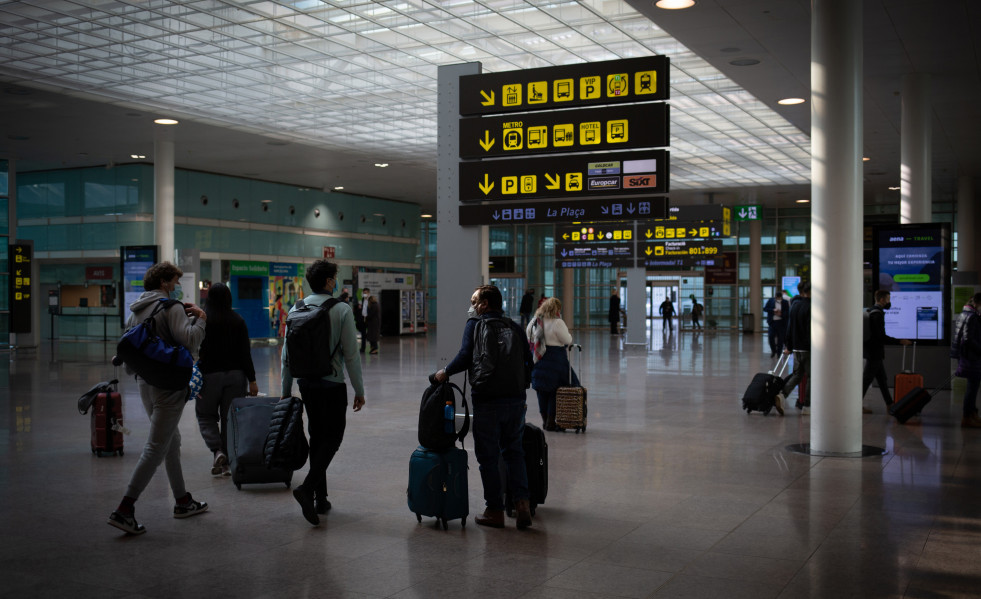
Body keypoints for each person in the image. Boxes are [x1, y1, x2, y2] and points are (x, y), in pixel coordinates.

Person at [107, 262, 209, 535]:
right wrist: (201, 319)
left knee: (171, 440)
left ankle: (182, 501)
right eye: (174, 281)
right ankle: (125, 508)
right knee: (155, 447)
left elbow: (131, 356)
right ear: (164, 282)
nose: (176, 286)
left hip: (145, 383)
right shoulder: (170, 307)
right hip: (168, 386)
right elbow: (189, 341)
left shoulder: (136, 311)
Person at [434, 285, 534, 530]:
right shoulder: (515, 326)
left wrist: (444, 373)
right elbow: (528, 361)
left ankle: (495, 510)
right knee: (514, 452)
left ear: (485, 304)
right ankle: (522, 504)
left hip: (488, 401)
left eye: (474, 301)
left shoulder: (476, 325)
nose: (472, 305)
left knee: (488, 457)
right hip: (516, 400)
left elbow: (465, 356)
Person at [281, 260, 365, 525]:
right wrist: (359, 390)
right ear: (329, 281)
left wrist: (286, 391)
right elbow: (351, 355)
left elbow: (286, 356)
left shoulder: (296, 308)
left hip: (305, 384)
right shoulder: (341, 309)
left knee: (317, 435)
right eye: (335, 278)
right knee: (333, 437)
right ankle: (307, 489)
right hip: (332, 383)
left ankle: (321, 498)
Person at [196, 282, 259, 476]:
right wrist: (252, 380)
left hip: (209, 376)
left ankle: (217, 451)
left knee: (206, 416)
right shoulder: (237, 320)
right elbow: (244, 353)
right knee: (229, 419)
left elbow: (193, 346)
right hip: (235, 376)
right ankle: (227, 461)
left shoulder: (203, 321)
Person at [527, 297, 578, 431]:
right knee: (555, 390)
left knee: (541, 390)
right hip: (555, 359)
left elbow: (529, 336)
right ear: (556, 309)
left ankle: (545, 421)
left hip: (538, 359)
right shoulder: (557, 323)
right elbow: (567, 339)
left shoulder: (535, 321)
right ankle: (551, 421)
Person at [861, 290, 911, 413]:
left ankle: (889, 404)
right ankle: (855, 405)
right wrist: (899, 341)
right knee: (867, 380)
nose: (889, 302)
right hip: (874, 352)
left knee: (882, 379)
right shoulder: (877, 315)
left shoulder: (871, 311)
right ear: (882, 299)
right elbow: (880, 336)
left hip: (873, 351)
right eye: (888, 299)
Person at [779, 282, 812, 414]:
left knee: (797, 375)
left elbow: (789, 327)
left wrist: (789, 346)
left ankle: (782, 395)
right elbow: (811, 330)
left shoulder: (795, 305)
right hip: (807, 348)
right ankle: (807, 406)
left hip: (797, 348)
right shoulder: (811, 307)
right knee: (811, 377)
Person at [953, 293, 981, 428]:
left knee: (973, 386)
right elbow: (969, 339)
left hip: (966, 355)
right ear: (977, 303)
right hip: (972, 357)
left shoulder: (964, 313)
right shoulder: (972, 317)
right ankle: (967, 416)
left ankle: (972, 414)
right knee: (972, 387)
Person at [764, 291, 790, 357]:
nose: (777, 299)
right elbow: (765, 308)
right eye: (776, 298)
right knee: (771, 337)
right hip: (772, 322)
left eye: (779, 298)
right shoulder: (771, 300)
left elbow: (787, 312)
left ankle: (779, 353)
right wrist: (773, 310)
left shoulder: (785, 302)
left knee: (780, 339)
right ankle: (773, 350)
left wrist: (781, 314)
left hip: (781, 323)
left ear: (781, 297)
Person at [359, 287, 371, 353]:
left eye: (365, 293)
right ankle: (362, 348)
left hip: (369, 319)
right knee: (363, 335)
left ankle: (373, 348)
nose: (364, 294)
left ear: (369, 293)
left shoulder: (370, 300)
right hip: (363, 319)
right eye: (363, 293)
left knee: (371, 334)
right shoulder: (362, 300)